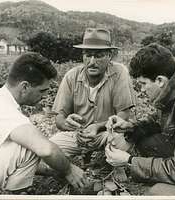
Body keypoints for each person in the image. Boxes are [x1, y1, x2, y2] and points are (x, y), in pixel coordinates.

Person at [105, 43, 175, 195]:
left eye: (143, 84)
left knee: (156, 193)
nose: (143, 90)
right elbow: (159, 120)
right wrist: (129, 126)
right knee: (146, 142)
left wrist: (130, 160)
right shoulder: (173, 86)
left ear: (159, 80)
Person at [0, 52, 87, 193]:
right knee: (31, 145)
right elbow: (46, 150)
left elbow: (7, 156)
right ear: (24, 87)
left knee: (28, 143)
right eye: (42, 91)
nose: (44, 97)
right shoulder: (3, 108)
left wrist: (52, 171)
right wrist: (69, 170)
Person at [50, 27, 135, 158]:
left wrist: (98, 127)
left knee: (122, 140)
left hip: (107, 133)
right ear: (83, 56)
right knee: (51, 147)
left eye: (99, 56)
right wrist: (67, 124)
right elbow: (59, 117)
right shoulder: (71, 76)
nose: (92, 62)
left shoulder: (119, 73)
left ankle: (117, 167)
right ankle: (73, 165)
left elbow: (123, 114)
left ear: (109, 56)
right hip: (79, 134)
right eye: (88, 55)